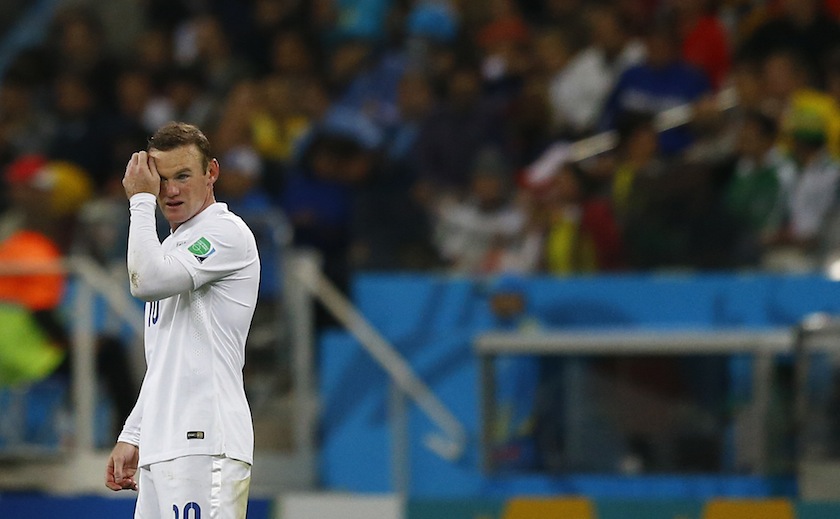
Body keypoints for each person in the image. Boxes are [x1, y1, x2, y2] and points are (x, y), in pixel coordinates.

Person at [105, 122, 260, 519]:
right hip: (165, 443)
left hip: (205, 441)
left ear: (212, 173)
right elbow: (166, 359)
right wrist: (134, 433)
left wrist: (140, 201)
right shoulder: (170, 247)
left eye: (183, 176)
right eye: (161, 179)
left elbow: (145, 282)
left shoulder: (225, 232)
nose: (170, 191)